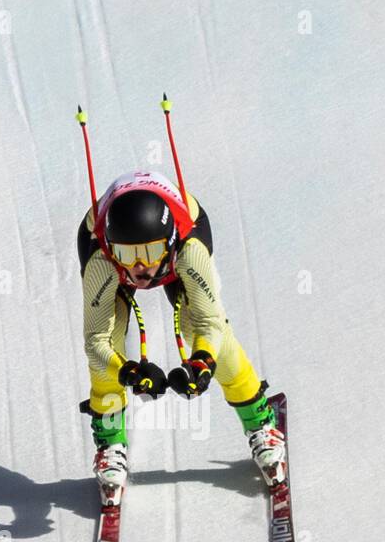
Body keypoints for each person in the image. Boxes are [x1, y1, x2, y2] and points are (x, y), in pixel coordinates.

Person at [76, 169, 285, 500]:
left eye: (149, 252)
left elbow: (211, 323)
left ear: (169, 242)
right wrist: (128, 371)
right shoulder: (102, 260)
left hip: (184, 233)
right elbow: (95, 341)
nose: (139, 268)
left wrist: (202, 362)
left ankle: (260, 420)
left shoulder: (190, 250)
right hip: (104, 235)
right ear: (113, 249)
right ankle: (110, 443)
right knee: (110, 342)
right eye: (128, 255)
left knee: (197, 326)